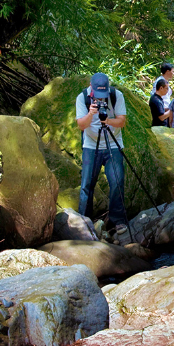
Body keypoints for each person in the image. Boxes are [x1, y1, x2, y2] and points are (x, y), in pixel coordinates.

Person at [75, 73, 129, 235]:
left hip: (113, 144)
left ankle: (117, 221)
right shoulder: (82, 98)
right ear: (90, 87)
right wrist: (91, 114)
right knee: (87, 184)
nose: (100, 98)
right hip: (91, 146)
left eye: (103, 94)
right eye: (98, 95)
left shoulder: (116, 95)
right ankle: (84, 220)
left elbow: (122, 121)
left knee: (117, 181)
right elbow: (81, 125)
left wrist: (108, 121)